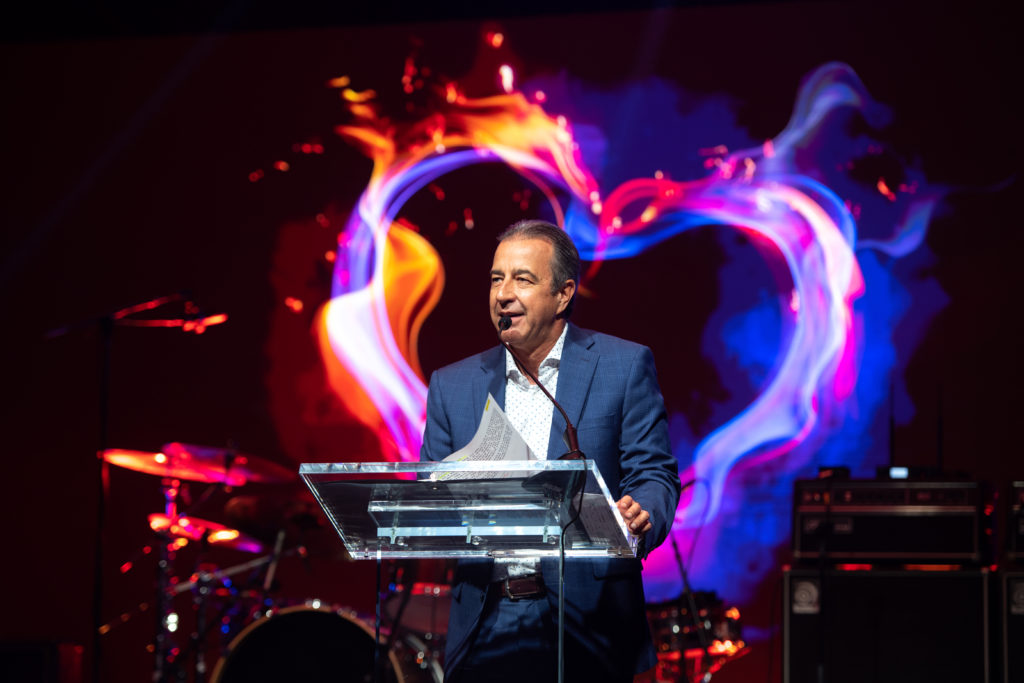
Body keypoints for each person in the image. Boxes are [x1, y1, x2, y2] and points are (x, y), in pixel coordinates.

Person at [420, 219, 681, 682]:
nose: (503, 294)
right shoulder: (451, 385)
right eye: (496, 278)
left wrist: (643, 513)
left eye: (522, 279)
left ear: (563, 294)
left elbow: (654, 474)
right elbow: (433, 498)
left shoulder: (622, 365)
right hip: (485, 620)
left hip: (588, 618)